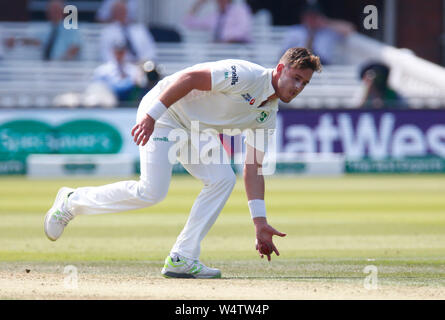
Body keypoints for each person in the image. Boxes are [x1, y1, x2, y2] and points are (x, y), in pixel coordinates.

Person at [44, 47, 322, 279]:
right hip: (165, 113)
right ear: (280, 69)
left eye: (305, 83)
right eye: (296, 77)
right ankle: (71, 202)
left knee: (223, 179)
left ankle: (182, 257)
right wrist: (152, 115)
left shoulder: (267, 116)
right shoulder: (245, 74)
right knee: (151, 192)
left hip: (196, 130)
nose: (298, 87)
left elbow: (253, 168)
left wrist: (259, 222)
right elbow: (189, 78)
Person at [281, 1, 354, 65]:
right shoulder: (295, 31)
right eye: (309, 16)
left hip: (323, 66)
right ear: (303, 17)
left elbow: (350, 29)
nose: (312, 19)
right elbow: (284, 53)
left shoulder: (328, 31)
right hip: (299, 64)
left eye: (314, 16)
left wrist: (326, 22)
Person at [6, 0, 81, 61]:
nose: (53, 13)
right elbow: (35, 41)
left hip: (65, 68)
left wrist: (60, 62)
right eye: (51, 10)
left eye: (56, 10)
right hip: (47, 67)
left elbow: (75, 47)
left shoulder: (71, 27)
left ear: (63, 12)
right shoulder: (47, 29)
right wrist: (16, 40)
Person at [184, 0, 253, 43]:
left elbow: (243, 31)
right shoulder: (214, 16)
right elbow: (189, 23)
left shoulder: (240, 10)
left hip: (238, 48)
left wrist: (225, 41)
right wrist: (199, 4)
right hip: (220, 51)